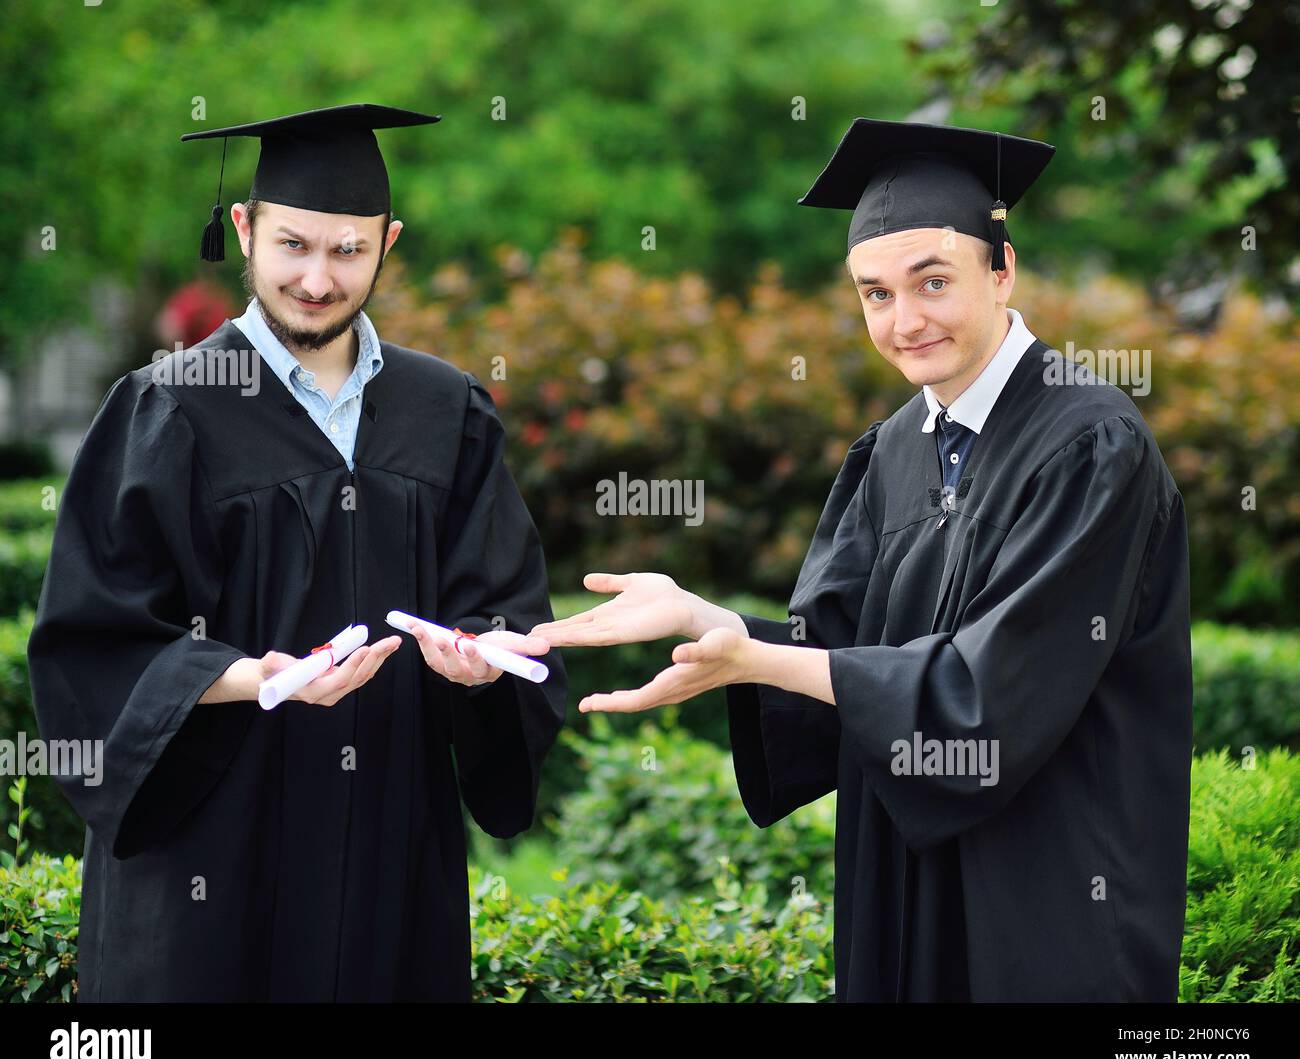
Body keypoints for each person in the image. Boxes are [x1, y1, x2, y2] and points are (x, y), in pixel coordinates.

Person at [533, 118, 1193, 1002]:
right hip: (901, 880)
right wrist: (712, 623)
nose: (905, 320)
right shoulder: (893, 451)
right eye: (875, 295)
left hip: (1047, 890)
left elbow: (992, 696)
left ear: (1003, 270)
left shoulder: (1088, 440)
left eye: (932, 282)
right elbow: (837, 652)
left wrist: (757, 657)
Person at [27, 103, 566, 1002]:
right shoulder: (169, 407)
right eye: (293, 246)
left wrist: (483, 666)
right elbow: (93, 639)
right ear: (245, 230)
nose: (317, 279)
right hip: (210, 864)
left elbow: (504, 604)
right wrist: (248, 678)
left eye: (348, 250)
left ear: (388, 242)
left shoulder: (447, 413)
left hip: (391, 851)